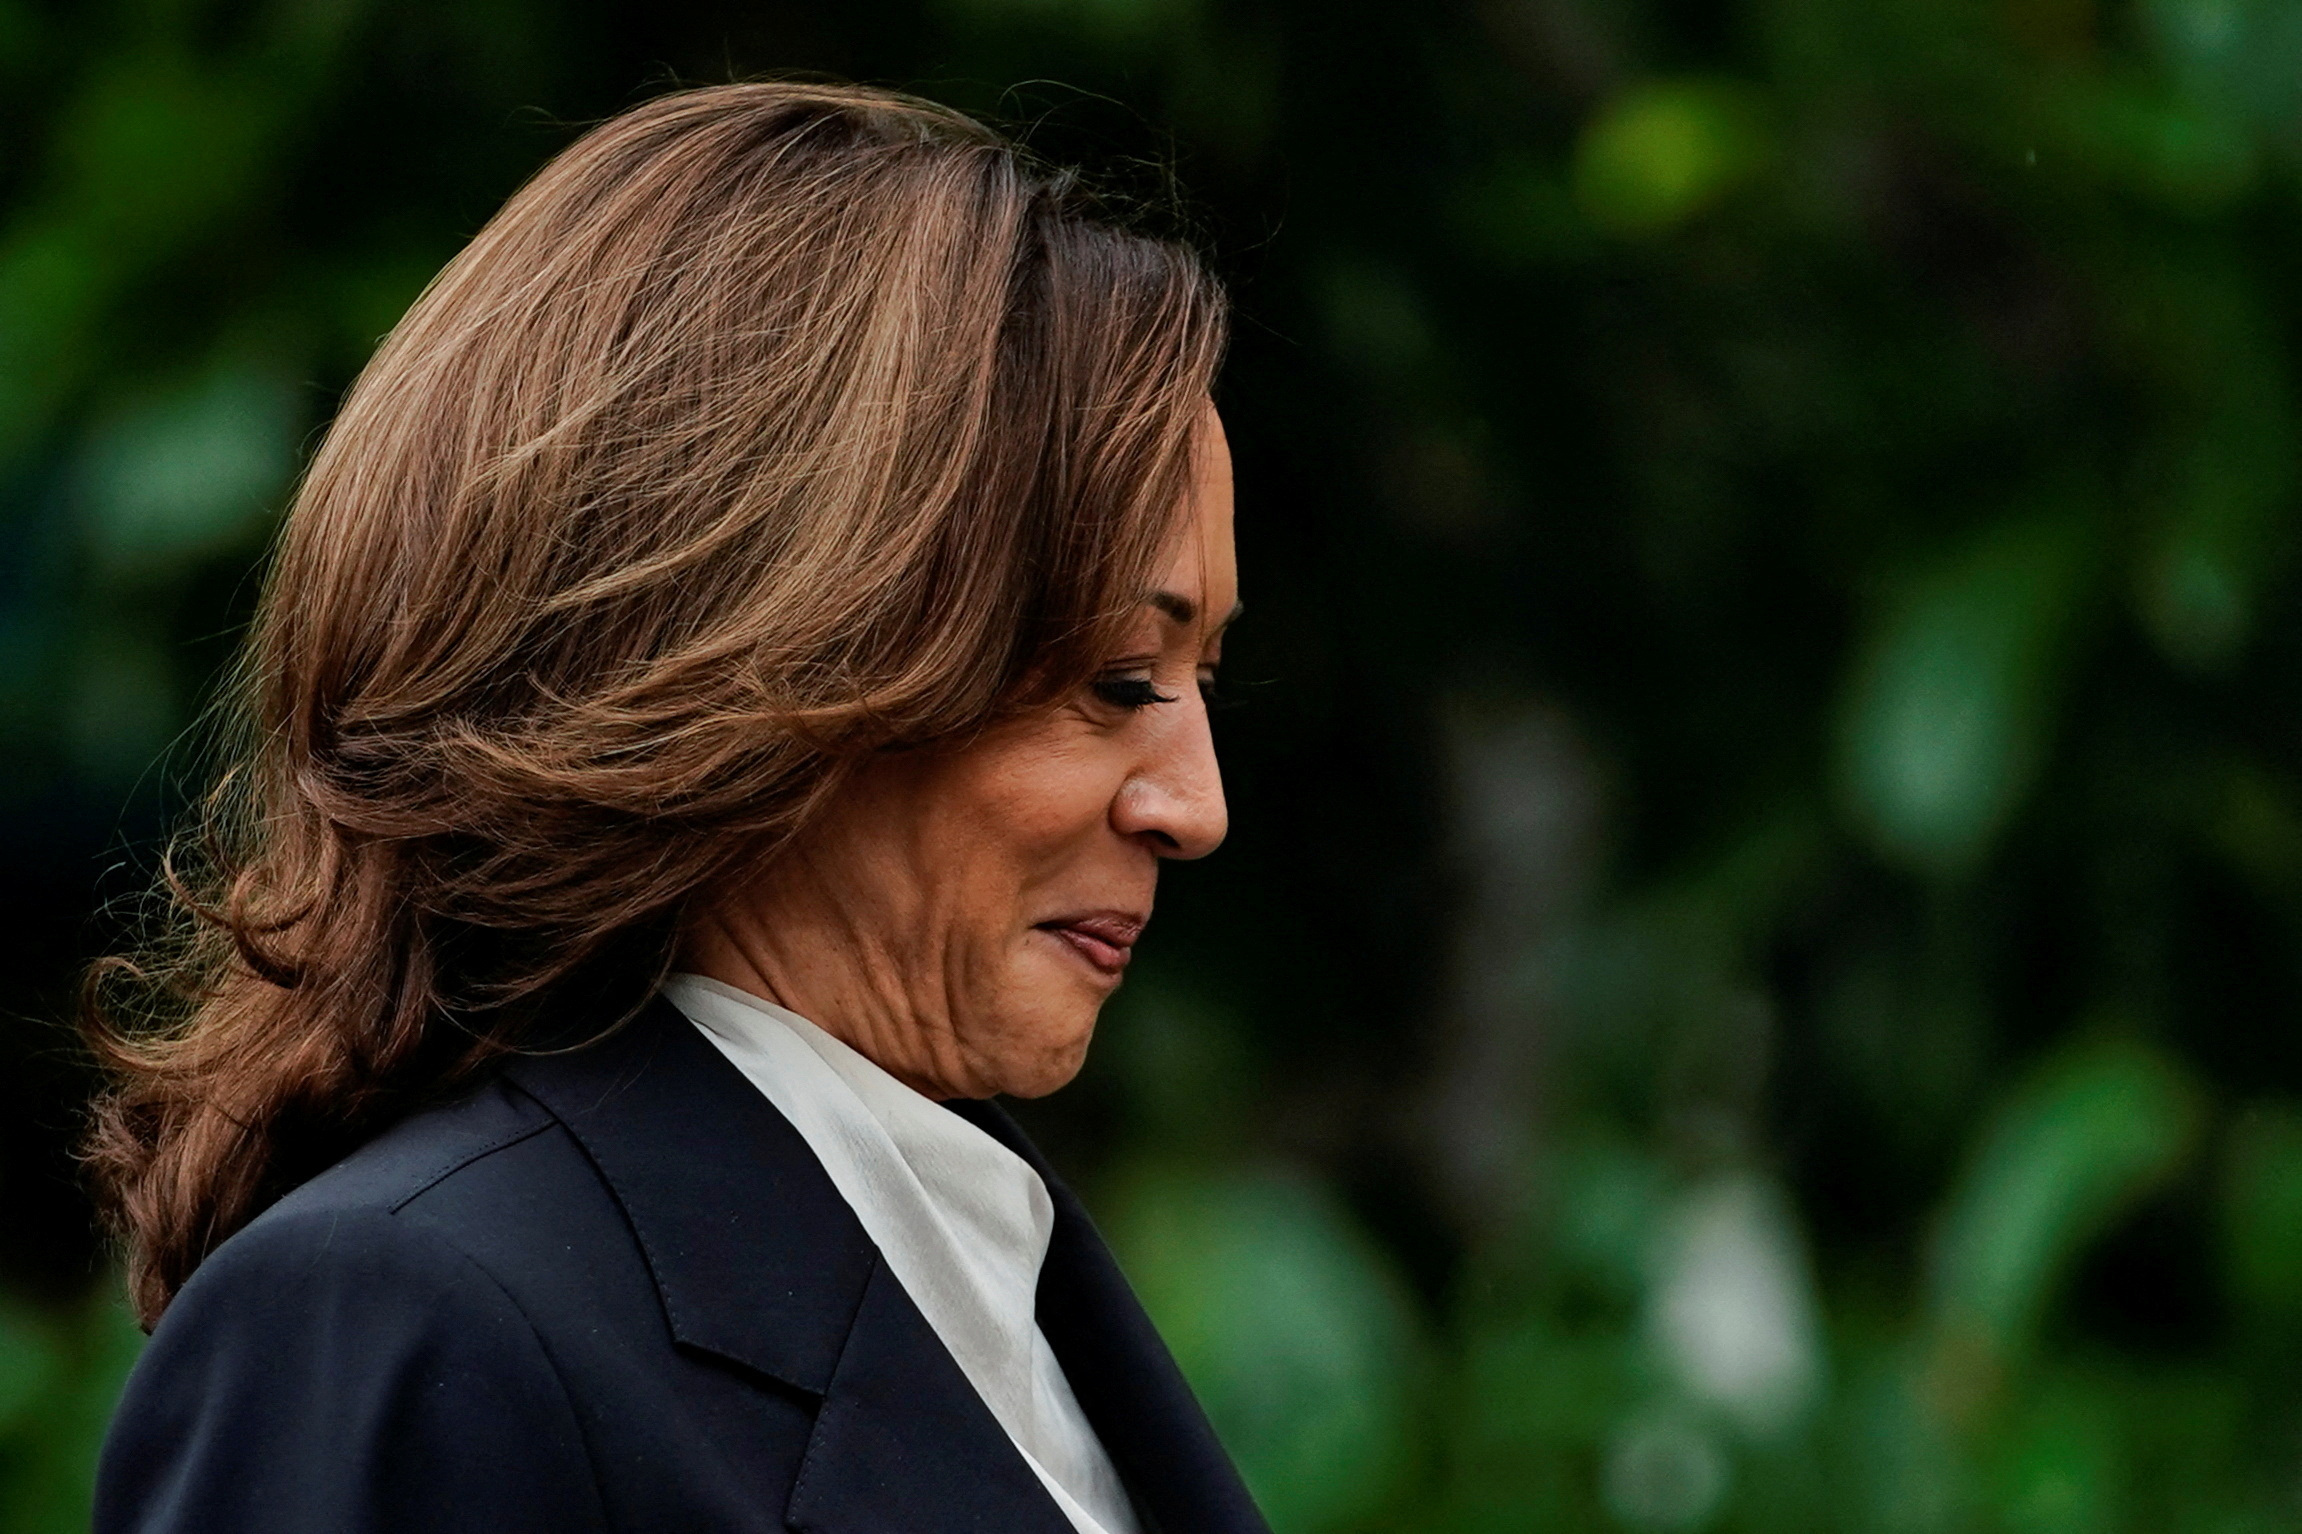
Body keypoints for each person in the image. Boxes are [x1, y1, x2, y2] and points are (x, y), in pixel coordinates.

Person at [85, 81, 1263, 1534]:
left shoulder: (996, 1297)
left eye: (1198, 672)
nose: (1192, 805)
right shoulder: (407, 1321)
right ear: (778, 639)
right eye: (1114, 674)